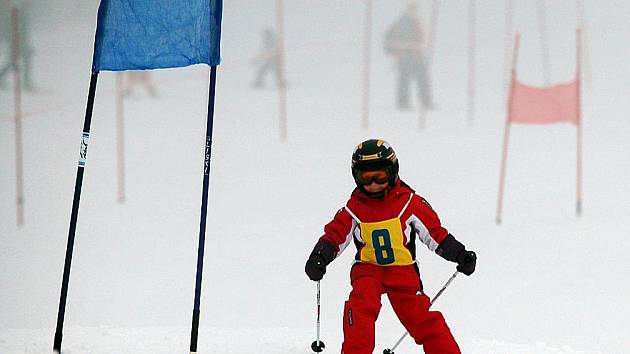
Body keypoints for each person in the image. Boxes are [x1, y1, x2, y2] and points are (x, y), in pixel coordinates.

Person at [304, 139, 476, 354]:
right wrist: (319, 257)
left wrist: (460, 254)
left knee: (422, 319)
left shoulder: (408, 202)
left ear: (393, 171)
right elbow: (335, 234)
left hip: (402, 272)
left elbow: (435, 233)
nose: (374, 184)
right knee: (361, 307)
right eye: (366, 178)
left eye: (380, 176)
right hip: (368, 269)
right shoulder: (355, 207)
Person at [384, 2, 433, 110]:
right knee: (409, 79)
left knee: (414, 79)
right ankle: (407, 103)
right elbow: (403, 40)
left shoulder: (413, 22)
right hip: (408, 55)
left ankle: (420, 101)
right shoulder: (405, 23)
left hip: (412, 55)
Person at [0, 0, 34, 90]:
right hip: (15, 43)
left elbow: (24, 32)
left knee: (26, 60)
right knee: (12, 62)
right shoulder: (14, 14)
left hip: (22, 43)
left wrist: (26, 43)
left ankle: (27, 82)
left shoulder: (22, 14)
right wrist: (13, 40)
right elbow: (7, 30)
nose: (28, 6)